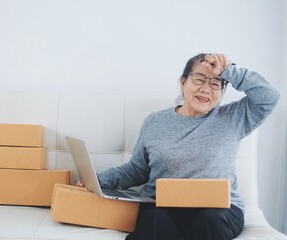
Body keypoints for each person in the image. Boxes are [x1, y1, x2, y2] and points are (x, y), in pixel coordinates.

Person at [77, 53, 280, 240]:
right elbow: (138, 170)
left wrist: (229, 71)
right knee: (154, 221)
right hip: (162, 206)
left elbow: (269, 97)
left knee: (209, 222)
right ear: (183, 83)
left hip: (219, 210)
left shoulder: (233, 118)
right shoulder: (154, 122)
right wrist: (96, 180)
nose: (206, 88)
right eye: (199, 79)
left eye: (216, 83)